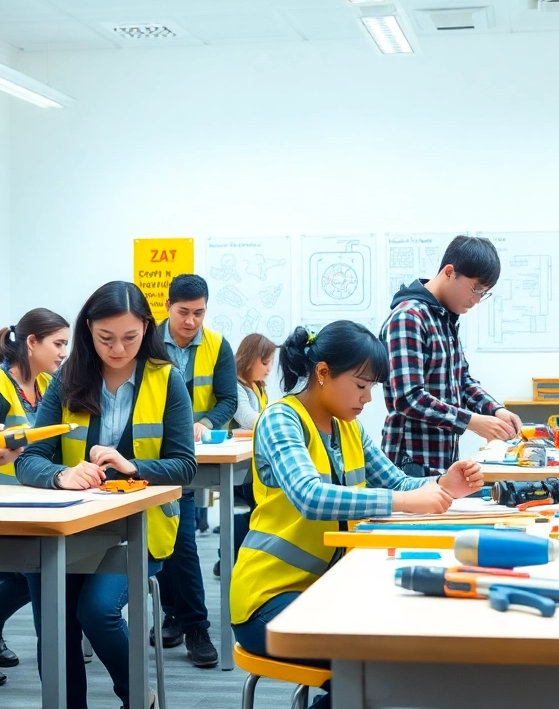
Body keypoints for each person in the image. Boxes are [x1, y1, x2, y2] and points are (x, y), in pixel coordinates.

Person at [230, 321, 485, 709]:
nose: (367, 398)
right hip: (268, 601)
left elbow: (398, 483)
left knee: (397, 661)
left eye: (372, 388)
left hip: (328, 592)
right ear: (323, 373)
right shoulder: (281, 419)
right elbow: (310, 497)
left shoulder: (349, 428)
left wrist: (443, 484)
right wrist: (404, 501)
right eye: (361, 385)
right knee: (376, 667)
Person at [15, 281, 195, 708]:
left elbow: (185, 465)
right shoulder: (67, 379)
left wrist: (134, 467)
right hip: (70, 526)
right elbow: (29, 459)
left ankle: (137, 697)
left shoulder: (167, 379)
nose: (118, 349)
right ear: (88, 331)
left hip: (140, 528)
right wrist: (62, 474)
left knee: (96, 611)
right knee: (56, 626)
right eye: (105, 338)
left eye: (130, 337)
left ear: (147, 329)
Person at [0, 307, 70, 686]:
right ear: (32, 342)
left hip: (29, 509)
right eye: (58, 344)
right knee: (35, 569)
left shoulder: (47, 385)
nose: (64, 353)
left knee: (45, 565)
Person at [381, 236, 521, 476]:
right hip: (409, 465)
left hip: (440, 463)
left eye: (484, 293)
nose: (477, 300)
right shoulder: (408, 318)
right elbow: (408, 399)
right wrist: (472, 422)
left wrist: (495, 410)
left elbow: (462, 380)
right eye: (476, 289)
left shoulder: (445, 319)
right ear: (449, 272)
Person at [153, 273, 234, 667]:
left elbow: (228, 399)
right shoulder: (146, 341)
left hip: (192, 454)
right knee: (166, 536)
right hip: (151, 452)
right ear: (168, 306)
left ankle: (193, 625)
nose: (191, 321)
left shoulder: (218, 345)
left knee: (181, 536)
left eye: (198, 313)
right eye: (183, 312)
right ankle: (177, 616)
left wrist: (207, 422)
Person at [214, 333, 277, 577]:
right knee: (261, 505)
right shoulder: (236, 387)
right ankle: (229, 558)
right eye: (265, 362)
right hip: (237, 466)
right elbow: (249, 419)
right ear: (250, 360)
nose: (269, 369)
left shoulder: (258, 387)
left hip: (251, 463)